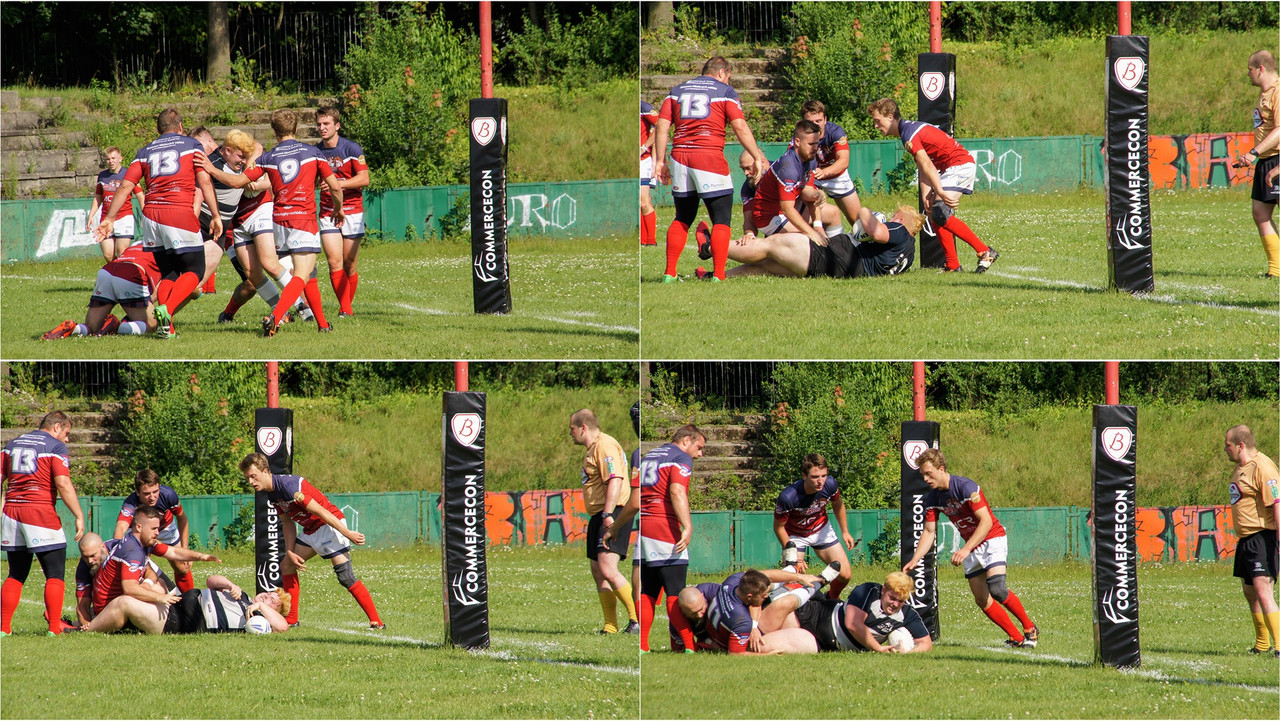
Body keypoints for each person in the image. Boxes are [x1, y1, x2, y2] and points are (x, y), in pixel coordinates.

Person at [198, 109, 343, 336]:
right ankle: (276, 316)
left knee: (307, 275)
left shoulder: (269, 157)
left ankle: (323, 324)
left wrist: (211, 170)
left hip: (279, 221)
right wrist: (338, 209)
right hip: (302, 220)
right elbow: (334, 186)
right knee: (302, 275)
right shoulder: (314, 153)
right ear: (295, 128)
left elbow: (237, 182)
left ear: (274, 132)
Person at [92, 108, 221, 339]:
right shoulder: (191, 145)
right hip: (179, 212)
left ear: (158, 129)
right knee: (195, 269)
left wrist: (109, 218)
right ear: (180, 127)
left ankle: (166, 329)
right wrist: (216, 215)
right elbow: (205, 182)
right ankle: (167, 310)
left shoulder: (144, 151)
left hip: (151, 216)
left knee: (169, 271)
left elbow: (125, 186)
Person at [903, 448, 1038, 648]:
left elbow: (986, 522)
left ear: (941, 469)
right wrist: (915, 559)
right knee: (982, 600)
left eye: (928, 473)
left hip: (992, 538)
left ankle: (1029, 628)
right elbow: (929, 532)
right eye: (922, 474)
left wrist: (965, 549)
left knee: (998, 589)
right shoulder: (932, 499)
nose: (925, 478)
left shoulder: (965, 487)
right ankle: (1016, 637)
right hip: (972, 546)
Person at [654, 56, 770, 281]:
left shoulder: (676, 90)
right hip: (708, 156)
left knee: (682, 217)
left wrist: (660, 161)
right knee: (721, 219)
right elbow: (739, 126)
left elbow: (662, 125)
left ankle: (669, 274)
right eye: (729, 77)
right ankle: (718, 275)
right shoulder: (725, 92)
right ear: (721, 73)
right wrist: (757, 156)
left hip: (680, 157)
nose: (729, 81)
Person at [238, 453, 383, 629]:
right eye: (248, 478)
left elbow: (321, 511)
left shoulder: (288, 487)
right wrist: (290, 552)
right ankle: (292, 620)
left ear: (266, 471)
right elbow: (287, 522)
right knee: (286, 565)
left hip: (329, 526)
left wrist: (347, 533)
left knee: (345, 577)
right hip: (311, 530)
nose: (251, 481)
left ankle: (376, 621)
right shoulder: (271, 494)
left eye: (253, 476)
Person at [868, 97, 999, 273]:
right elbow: (923, 167)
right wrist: (925, 196)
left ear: (890, 117)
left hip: (959, 165)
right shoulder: (907, 131)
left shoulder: (908, 133)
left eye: (878, 121)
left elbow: (928, 165)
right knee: (935, 214)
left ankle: (985, 251)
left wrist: (938, 191)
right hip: (952, 168)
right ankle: (952, 265)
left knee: (940, 212)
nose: (876, 125)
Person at [0, 411, 85, 636]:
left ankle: (4, 629)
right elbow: (63, 482)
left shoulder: (12, 444)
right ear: (57, 426)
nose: (67, 439)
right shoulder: (54, 447)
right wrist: (78, 514)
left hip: (12, 512)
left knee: (16, 573)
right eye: (66, 433)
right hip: (39, 512)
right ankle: (53, 629)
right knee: (55, 573)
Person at [84, 506, 221, 634]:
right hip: (108, 609)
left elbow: (173, 553)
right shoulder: (132, 551)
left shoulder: (142, 541)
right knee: (155, 593)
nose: (157, 532)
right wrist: (160, 598)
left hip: (110, 602)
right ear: (138, 527)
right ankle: (89, 628)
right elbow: (129, 588)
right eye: (154, 528)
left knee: (159, 584)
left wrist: (202, 556)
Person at [629, 424, 705, 651]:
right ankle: (689, 647)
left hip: (644, 527)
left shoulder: (647, 456)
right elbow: (676, 491)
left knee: (648, 590)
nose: (700, 454)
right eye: (699, 447)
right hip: (664, 526)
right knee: (676, 590)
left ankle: (643, 646)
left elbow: (634, 500)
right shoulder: (680, 457)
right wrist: (687, 526)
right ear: (686, 440)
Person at [704, 205, 921, 280]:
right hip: (845, 269)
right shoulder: (910, 254)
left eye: (894, 216)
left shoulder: (900, 229)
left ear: (901, 219)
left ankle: (711, 246)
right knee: (766, 267)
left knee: (773, 244)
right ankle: (713, 276)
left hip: (842, 258)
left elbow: (879, 233)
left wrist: (865, 212)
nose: (892, 218)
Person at [570, 408, 637, 634]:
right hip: (599, 514)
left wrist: (608, 514)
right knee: (598, 570)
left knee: (608, 568)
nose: (570, 434)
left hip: (613, 512)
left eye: (572, 429)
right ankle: (610, 625)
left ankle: (636, 620)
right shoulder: (594, 448)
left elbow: (615, 479)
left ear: (583, 427)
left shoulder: (604, 445)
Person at [761, 571, 934, 655]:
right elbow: (852, 624)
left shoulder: (906, 614)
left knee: (766, 647)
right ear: (884, 590)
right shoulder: (868, 591)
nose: (896, 604)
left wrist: (908, 653)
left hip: (822, 643)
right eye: (892, 598)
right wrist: (878, 648)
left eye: (901, 601)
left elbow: (926, 643)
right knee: (762, 630)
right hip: (816, 617)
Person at [672, 567, 826, 654]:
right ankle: (818, 584)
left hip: (731, 622)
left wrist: (798, 576)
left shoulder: (726, 586)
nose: (700, 614)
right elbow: (736, 654)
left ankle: (808, 578)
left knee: (768, 590)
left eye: (701, 609)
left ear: (703, 597)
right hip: (734, 628)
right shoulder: (739, 618)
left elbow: (762, 578)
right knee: (782, 603)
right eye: (694, 613)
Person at [1223, 424, 1279, 656]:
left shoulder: (1263, 467)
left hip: (1262, 536)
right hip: (1245, 539)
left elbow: (1277, 504)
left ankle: (1279, 645)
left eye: (1227, 445)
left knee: (1263, 590)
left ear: (1240, 446)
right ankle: (1261, 643)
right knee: (1249, 591)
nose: (1225, 450)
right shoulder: (1241, 466)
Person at [772, 453, 855, 600]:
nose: (820, 481)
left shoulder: (830, 485)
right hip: (795, 535)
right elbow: (779, 528)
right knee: (793, 577)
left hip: (820, 528)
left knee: (845, 574)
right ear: (804, 476)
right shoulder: (788, 497)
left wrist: (845, 531)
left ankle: (831, 599)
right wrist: (792, 553)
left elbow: (838, 504)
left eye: (823, 475)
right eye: (815, 477)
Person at [40, 242, 160, 338]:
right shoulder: (168, 250)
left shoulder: (138, 243)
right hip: (129, 272)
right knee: (152, 324)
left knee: (92, 327)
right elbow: (165, 285)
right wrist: (152, 304)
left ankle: (74, 328)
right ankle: (121, 328)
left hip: (107, 271)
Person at [315, 106, 370, 317]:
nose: (322, 128)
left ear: (337, 126)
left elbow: (364, 179)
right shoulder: (316, 151)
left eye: (326, 124)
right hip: (328, 211)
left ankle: (345, 306)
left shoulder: (352, 149)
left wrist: (338, 184)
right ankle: (345, 309)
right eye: (319, 124)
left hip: (352, 210)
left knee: (349, 264)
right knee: (333, 261)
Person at [1232, 50, 1279, 278]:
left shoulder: (1278, 92)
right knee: (1260, 213)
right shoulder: (1265, 94)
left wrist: (1253, 152)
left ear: (1260, 69)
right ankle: (1276, 269)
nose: (1247, 74)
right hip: (1265, 160)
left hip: (1277, 159)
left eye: (1249, 69)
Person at [113, 469, 194, 593]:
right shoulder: (130, 503)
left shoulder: (168, 495)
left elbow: (182, 518)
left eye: (155, 491)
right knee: (139, 568)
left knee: (183, 567)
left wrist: (185, 549)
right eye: (146, 493)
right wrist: (118, 555)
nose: (152, 497)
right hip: (142, 531)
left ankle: (190, 601)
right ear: (137, 492)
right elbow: (120, 527)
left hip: (165, 527)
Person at [802, 99, 864, 227]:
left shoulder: (836, 132)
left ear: (825, 120)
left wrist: (824, 172)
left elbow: (844, 161)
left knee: (858, 222)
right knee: (807, 220)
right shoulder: (799, 135)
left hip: (836, 175)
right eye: (810, 122)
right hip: (812, 176)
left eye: (818, 121)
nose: (814, 126)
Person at [160, 574, 291, 634]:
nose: (266, 596)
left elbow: (282, 627)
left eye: (272, 600)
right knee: (156, 581)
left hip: (188, 615)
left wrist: (261, 606)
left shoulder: (259, 619)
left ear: (275, 611)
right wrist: (230, 584)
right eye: (268, 593)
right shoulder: (243, 596)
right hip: (182, 599)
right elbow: (211, 581)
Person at [88, 146, 144, 261]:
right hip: (106, 218)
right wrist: (91, 214)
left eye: (113, 158)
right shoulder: (102, 176)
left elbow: (139, 195)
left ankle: (122, 277)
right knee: (108, 255)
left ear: (120, 158)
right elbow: (98, 197)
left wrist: (145, 213)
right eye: (108, 159)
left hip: (124, 217)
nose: (111, 161)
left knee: (121, 252)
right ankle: (115, 274)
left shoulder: (129, 174)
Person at [639, 100, 659, 246]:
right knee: (637, 203)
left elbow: (660, 126)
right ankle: (643, 240)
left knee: (644, 202)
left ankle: (651, 241)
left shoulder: (643, 107)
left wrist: (644, 147)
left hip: (643, 160)